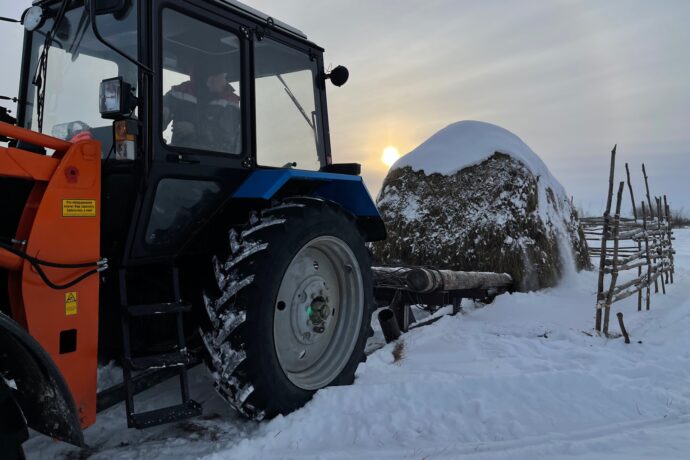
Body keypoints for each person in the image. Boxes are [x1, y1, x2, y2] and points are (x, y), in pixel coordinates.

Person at [162, 63, 241, 153]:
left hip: (217, 158)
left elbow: (227, 135)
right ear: (210, 79)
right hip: (181, 156)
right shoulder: (179, 92)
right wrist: (162, 115)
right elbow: (155, 117)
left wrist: (194, 129)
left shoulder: (230, 101)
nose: (225, 82)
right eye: (223, 77)